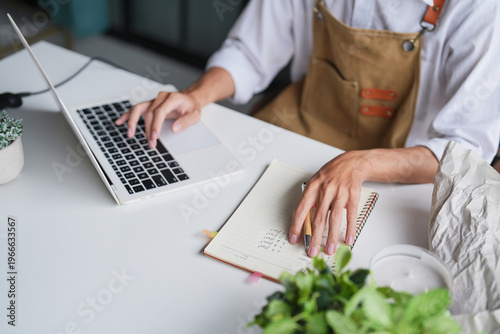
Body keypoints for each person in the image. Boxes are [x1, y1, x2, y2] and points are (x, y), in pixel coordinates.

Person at [116, 0, 500, 258]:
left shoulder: (479, 10)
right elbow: (250, 53)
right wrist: (197, 96)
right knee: (189, 234)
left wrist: (359, 164)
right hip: (298, 131)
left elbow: (464, 151)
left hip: (404, 171)